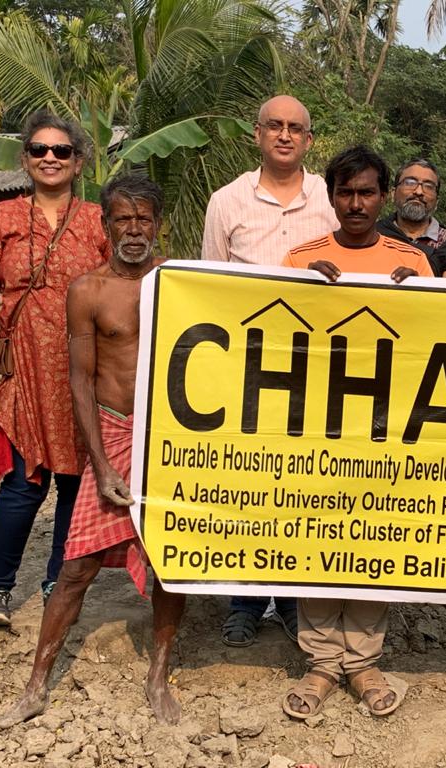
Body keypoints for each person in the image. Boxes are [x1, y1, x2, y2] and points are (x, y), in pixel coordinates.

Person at [0, 173, 184, 729]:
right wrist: (99, 465)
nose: (134, 229)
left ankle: (158, 676)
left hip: (171, 438)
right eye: (123, 219)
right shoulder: (88, 291)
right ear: (106, 225)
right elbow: (81, 379)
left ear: (158, 224)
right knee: (76, 567)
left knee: (169, 563)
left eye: (144, 219)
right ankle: (36, 686)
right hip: (115, 432)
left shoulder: (181, 281)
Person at [280, 145, 432, 720]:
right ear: (331, 196)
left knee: (372, 539)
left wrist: (416, 298)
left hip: (384, 430)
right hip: (315, 429)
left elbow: (434, 342)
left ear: (383, 196)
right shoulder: (300, 259)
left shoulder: (411, 262)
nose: (356, 203)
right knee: (317, 536)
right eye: (345, 192)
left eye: (367, 192)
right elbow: (274, 339)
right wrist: (300, 290)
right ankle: (321, 663)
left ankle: (364, 661)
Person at [201, 94, 337, 648]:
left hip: (315, 368)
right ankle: (245, 601)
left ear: (308, 140)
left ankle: (295, 601)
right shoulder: (226, 201)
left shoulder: (330, 197)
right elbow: (209, 286)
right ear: (256, 134)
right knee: (251, 485)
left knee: (303, 484)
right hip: (247, 366)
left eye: (295, 128)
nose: (284, 135)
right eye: (274, 126)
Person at [0, 109, 110, 625]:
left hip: (84, 375)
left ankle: (58, 581)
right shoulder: (1, 218)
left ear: (78, 161)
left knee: (75, 484)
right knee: (22, 487)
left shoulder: (98, 221)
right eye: (39, 150)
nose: (50, 158)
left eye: (61, 150)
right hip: (24, 375)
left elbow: (121, 290)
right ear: (25, 159)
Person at [376, 158, 446, 278]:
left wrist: (418, 283)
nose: (419, 191)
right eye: (410, 182)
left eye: (428, 186)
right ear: (393, 194)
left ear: (437, 202)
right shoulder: (375, 234)